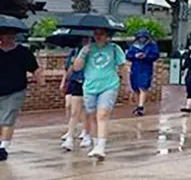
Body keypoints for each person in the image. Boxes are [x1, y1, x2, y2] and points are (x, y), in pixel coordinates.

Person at [72, 28, 127, 159]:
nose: (98, 36)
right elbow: (76, 67)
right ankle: (96, 143)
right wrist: (83, 54)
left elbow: (123, 66)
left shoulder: (114, 49)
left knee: (102, 115)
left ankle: (101, 146)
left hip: (109, 85)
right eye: (96, 34)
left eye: (101, 34)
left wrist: (127, 83)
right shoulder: (87, 49)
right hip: (90, 86)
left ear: (107, 35)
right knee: (92, 116)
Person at [0, 28, 41, 161]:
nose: (9, 37)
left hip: (15, 90)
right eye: (6, 35)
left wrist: (41, 82)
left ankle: (3, 147)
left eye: (12, 35)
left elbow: (35, 68)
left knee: (8, 118)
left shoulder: (23, 52)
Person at [61, 40, 92, 151]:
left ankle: (87, 133)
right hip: (76, 81)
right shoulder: (76, 51)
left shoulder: (94, 51)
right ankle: (70, 136)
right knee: (74, 110)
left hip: (89, 82)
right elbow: (71, 68)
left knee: (87, 110)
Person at [125, 29, 160, 117]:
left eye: (144, 37)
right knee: (136, 88)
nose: (142, 39)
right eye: (140, 37)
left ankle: (141, 106)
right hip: (135, 69)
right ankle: (138, 106)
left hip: (146, 68)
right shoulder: (133, 46)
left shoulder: (151, 46)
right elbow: (128, 56)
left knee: (143, 87)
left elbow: (155, 55)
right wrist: (135, 56)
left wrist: (146, 56)